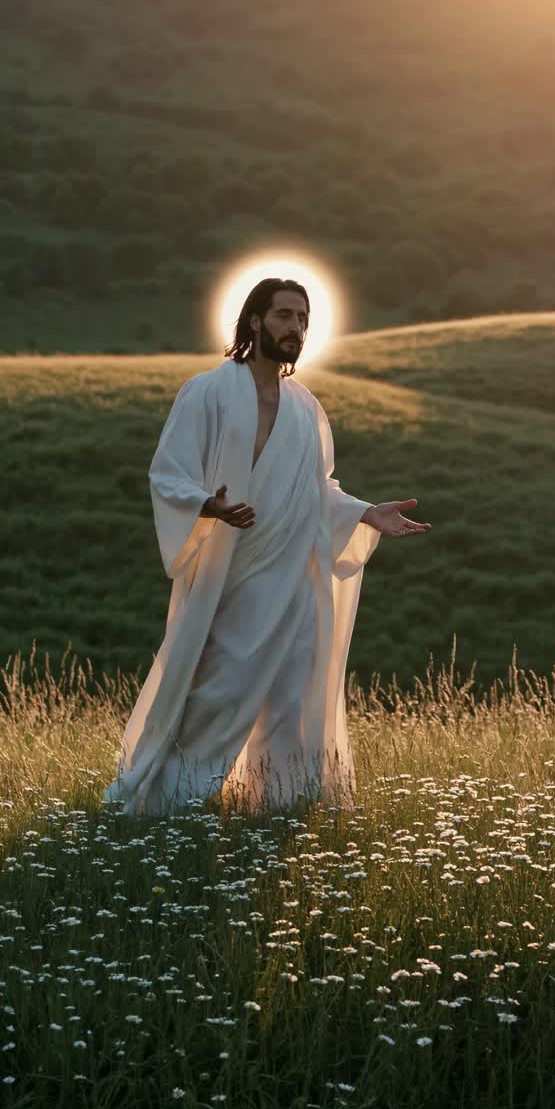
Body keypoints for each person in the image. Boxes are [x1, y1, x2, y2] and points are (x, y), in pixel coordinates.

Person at [103, 277, 431, 816]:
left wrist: (366, 513)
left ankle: (279, 808)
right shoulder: (208, 392)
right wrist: (209, 505)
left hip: (294, 581)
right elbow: (168, 472)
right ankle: (166, 806)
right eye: (284, 316)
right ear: (255, 321)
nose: (295, 328)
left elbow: (317, 488)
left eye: (303, 319)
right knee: (219, 695)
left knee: (290, 701)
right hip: (234, 573)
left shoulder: (307, 409)